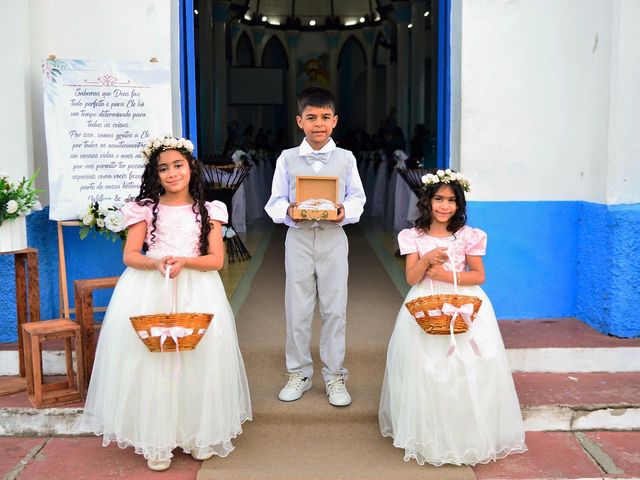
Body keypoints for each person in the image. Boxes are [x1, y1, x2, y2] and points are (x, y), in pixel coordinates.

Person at [80, 135, 252, 472]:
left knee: (199, 359)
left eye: (178, 165)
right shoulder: (144, 209)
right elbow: (130, 255)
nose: (172, 173)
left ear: (191, 167)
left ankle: (197, 434)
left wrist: (186, 262)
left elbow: (216, 260)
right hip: (150, 286)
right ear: (155, 174)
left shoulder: (209, 210)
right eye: (163, 168)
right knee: (153, 361)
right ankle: (157, 440)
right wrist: (156, 262)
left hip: (198, 288)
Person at [379, 170, 527, 466]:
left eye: (451, 201)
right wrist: (426, 259)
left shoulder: (469, 236)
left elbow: (479, 276)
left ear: (459, 206)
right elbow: (411, 278)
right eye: (438, 199)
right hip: (425, 304)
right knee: (426, 370)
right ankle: (429, 435)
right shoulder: (413, 236)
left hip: (465, 305)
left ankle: (467, 435)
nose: (444, 206)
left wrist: (446, 273)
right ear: (428, 201)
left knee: (467, 368)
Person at [264, 87, 366, 407]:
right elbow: (275, 201)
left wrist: (344, 212)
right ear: (300, 121)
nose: (318, 124)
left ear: (334, 121)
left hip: (334, 238)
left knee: (335, 308)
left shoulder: (346, 159)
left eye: (324, 117)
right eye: (311, 118)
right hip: (299, 238)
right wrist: (289, 212)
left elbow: (357, 198)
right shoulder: (287, 158)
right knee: (298, 308)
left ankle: (335, 374)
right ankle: (299, 372)